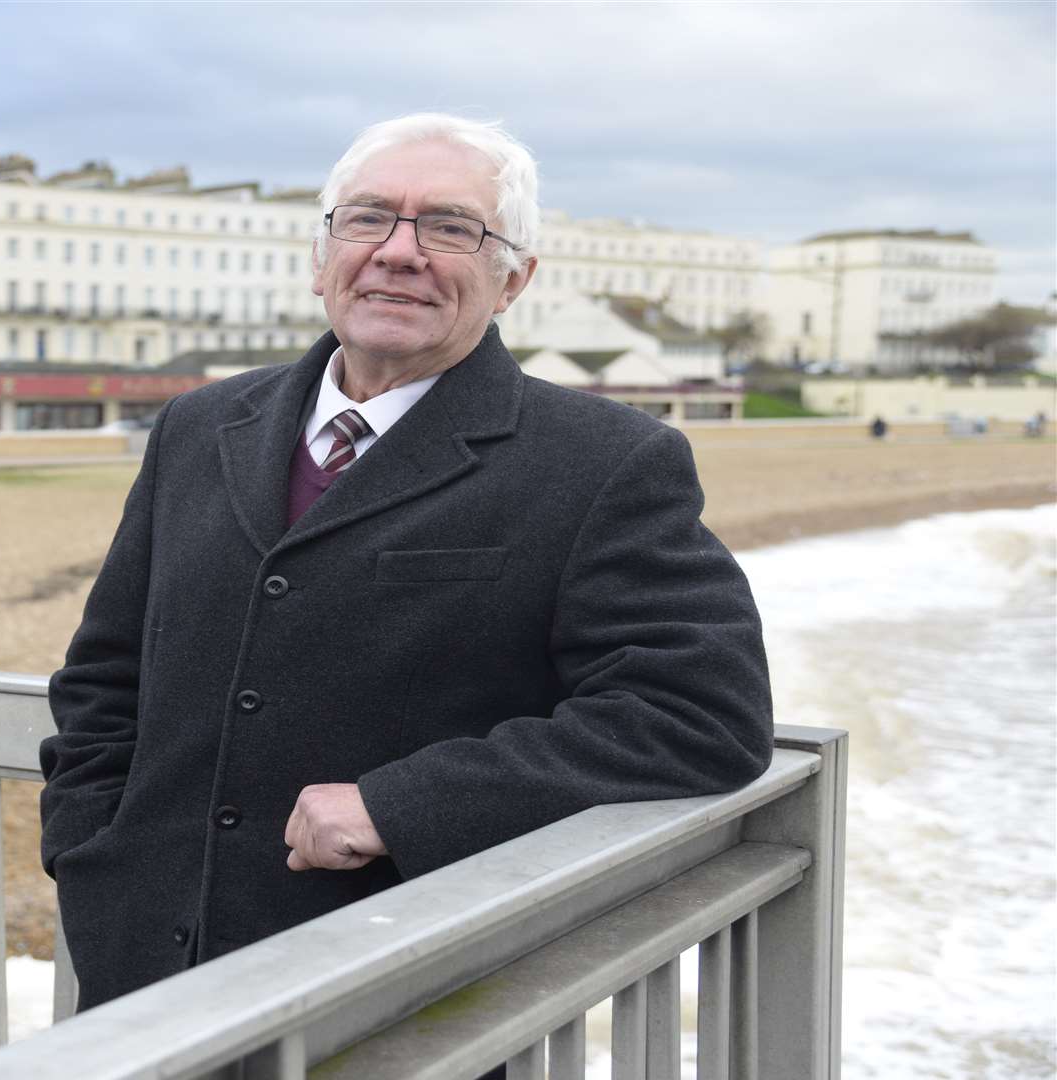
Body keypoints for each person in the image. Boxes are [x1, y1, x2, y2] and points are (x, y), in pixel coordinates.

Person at [39, 113, 774, 1013]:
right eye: (368, 218)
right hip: (141, 970)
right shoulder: (200, 426)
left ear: (514, 280)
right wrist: (90, 853)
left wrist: (400, 806)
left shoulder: (604, 462)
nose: (399, 251)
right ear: (322, 256)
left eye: (450, 228)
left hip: (397, 981)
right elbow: (104, 675)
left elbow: (699, 717)